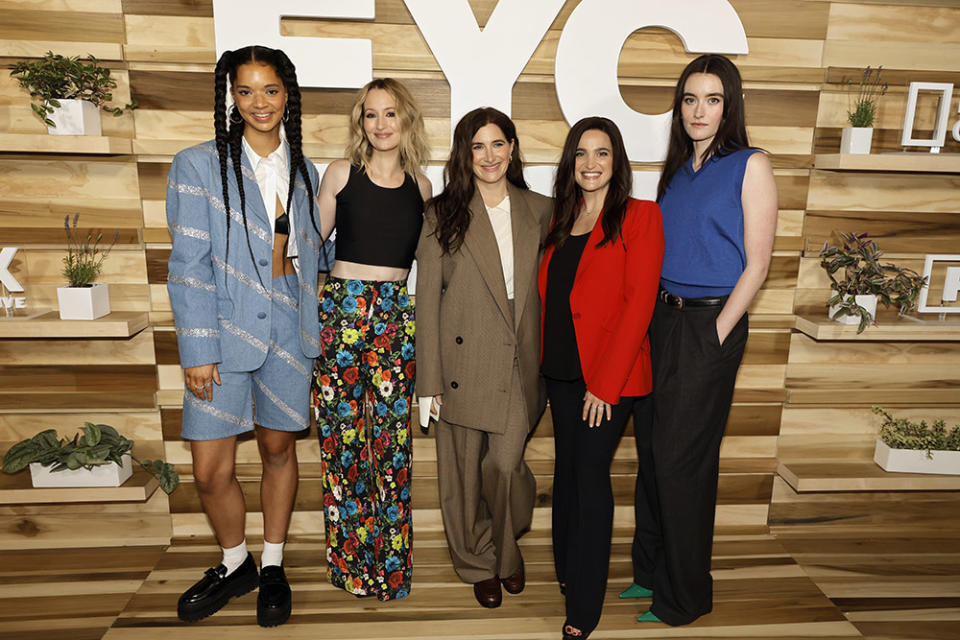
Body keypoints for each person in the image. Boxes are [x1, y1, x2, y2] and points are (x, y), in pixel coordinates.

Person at [167, 45, 323, 627]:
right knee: (210, 469)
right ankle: (236, 563)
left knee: (279, 450)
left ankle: (274, 563)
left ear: (288, 95)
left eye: (270, 90)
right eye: (245, 91)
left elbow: (313, 255)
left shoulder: (305, 169)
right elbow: (188, 265)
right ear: (230, 95)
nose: (259, 103)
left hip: (288, 330)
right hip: (222, 334)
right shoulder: (197, 164)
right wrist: (199, 349)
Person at [622, 53, 778, 626]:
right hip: (664, 319)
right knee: (653, 453)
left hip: (709, 322)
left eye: (712, 99)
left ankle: (686, 597)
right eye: (690, 98)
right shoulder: (677, 170)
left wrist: (714, 332)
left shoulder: (750, 164)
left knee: (683, 462)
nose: (699, 110)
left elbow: (757, 265)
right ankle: (651, 573)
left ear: (729, 105)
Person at [415, 107, 552, 609]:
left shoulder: (541, 209)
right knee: (462, 475)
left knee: (504, 467)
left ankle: (504, 545)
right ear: (464, 154)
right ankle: (480, 563)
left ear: (512, 149)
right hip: (460, 365)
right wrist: (426, 382)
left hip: (519, 364)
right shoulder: (441, 214)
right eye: (478, 146)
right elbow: (426, 300)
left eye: (498, 144)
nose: (489, 156)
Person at [538, 117, 663, 639]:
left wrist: (604, 385)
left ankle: (584, 608)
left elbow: (639, 305)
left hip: (608, 380)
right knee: (567, 472)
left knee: (589, 480)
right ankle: (568, 571)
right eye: (581, 153)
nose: (591, 163)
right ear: (570, 163)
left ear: (618, 161)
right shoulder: (560, 219)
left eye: (602, 153)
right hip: (561, 372)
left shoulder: (640, 216)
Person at [311, 78, 432, 601]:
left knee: (391, 443)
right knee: (341, 441)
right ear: (360, 123)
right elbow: (302, 252)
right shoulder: (341, 174)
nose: (381, 124)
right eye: (370, 115)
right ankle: (350, 566)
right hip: (341, 310)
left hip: (394, 317)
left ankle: (391, 569)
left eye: (390, 114)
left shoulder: (423, 187)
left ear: (406, 120)